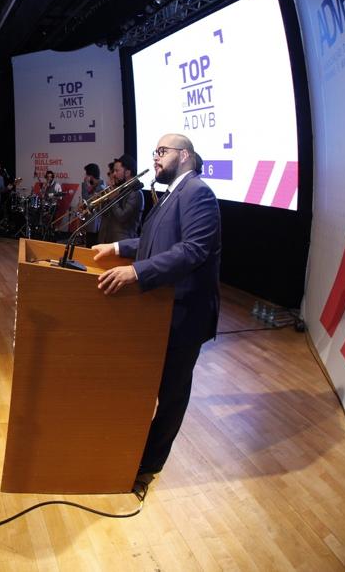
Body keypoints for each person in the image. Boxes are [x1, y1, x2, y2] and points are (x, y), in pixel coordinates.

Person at [93, 134, 221, 498]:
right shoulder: (170, 195)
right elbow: (152, 242)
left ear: (185, 155)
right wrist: (117, 246)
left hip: (183, 317)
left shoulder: (198, 193)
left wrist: (136, 272)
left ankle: (148, 467)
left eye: (162, 151)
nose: (156, 157)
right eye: (155, 151)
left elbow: (193, 250)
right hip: (158, 313)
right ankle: (130, 454)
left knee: (171, 397)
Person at [97, 154, 144, 244]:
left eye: (117, 171)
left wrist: (112, 198)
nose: (114, 174)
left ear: (127, 172)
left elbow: (122, 217)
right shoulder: (121, 189)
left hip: (123, 244)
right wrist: (106, 197)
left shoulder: (136, 193)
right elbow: (104, 213)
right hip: (109, 239)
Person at [77, 163, 106, 246]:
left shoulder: (100, 188)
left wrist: (85, 183)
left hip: (95, 225)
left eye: (86, 174)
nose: (85, 176)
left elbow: (87, 200)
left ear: (91, 176)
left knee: (91, 246)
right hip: (92, 224)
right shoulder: (96, 186)